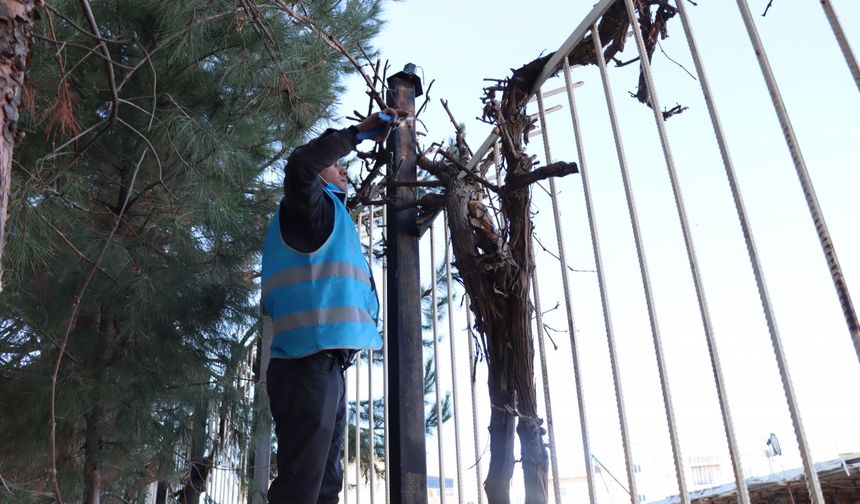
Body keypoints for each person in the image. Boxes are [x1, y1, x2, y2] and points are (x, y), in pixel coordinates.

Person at [260, 109, 407, 504]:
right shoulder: (307, 210)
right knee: (301, 490)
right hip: (305, 366)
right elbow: (301, 164)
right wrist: (356, 134)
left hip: (323, 366)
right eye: (337, 164)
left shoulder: (331, 218)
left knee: (324, 487)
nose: (344, 170)